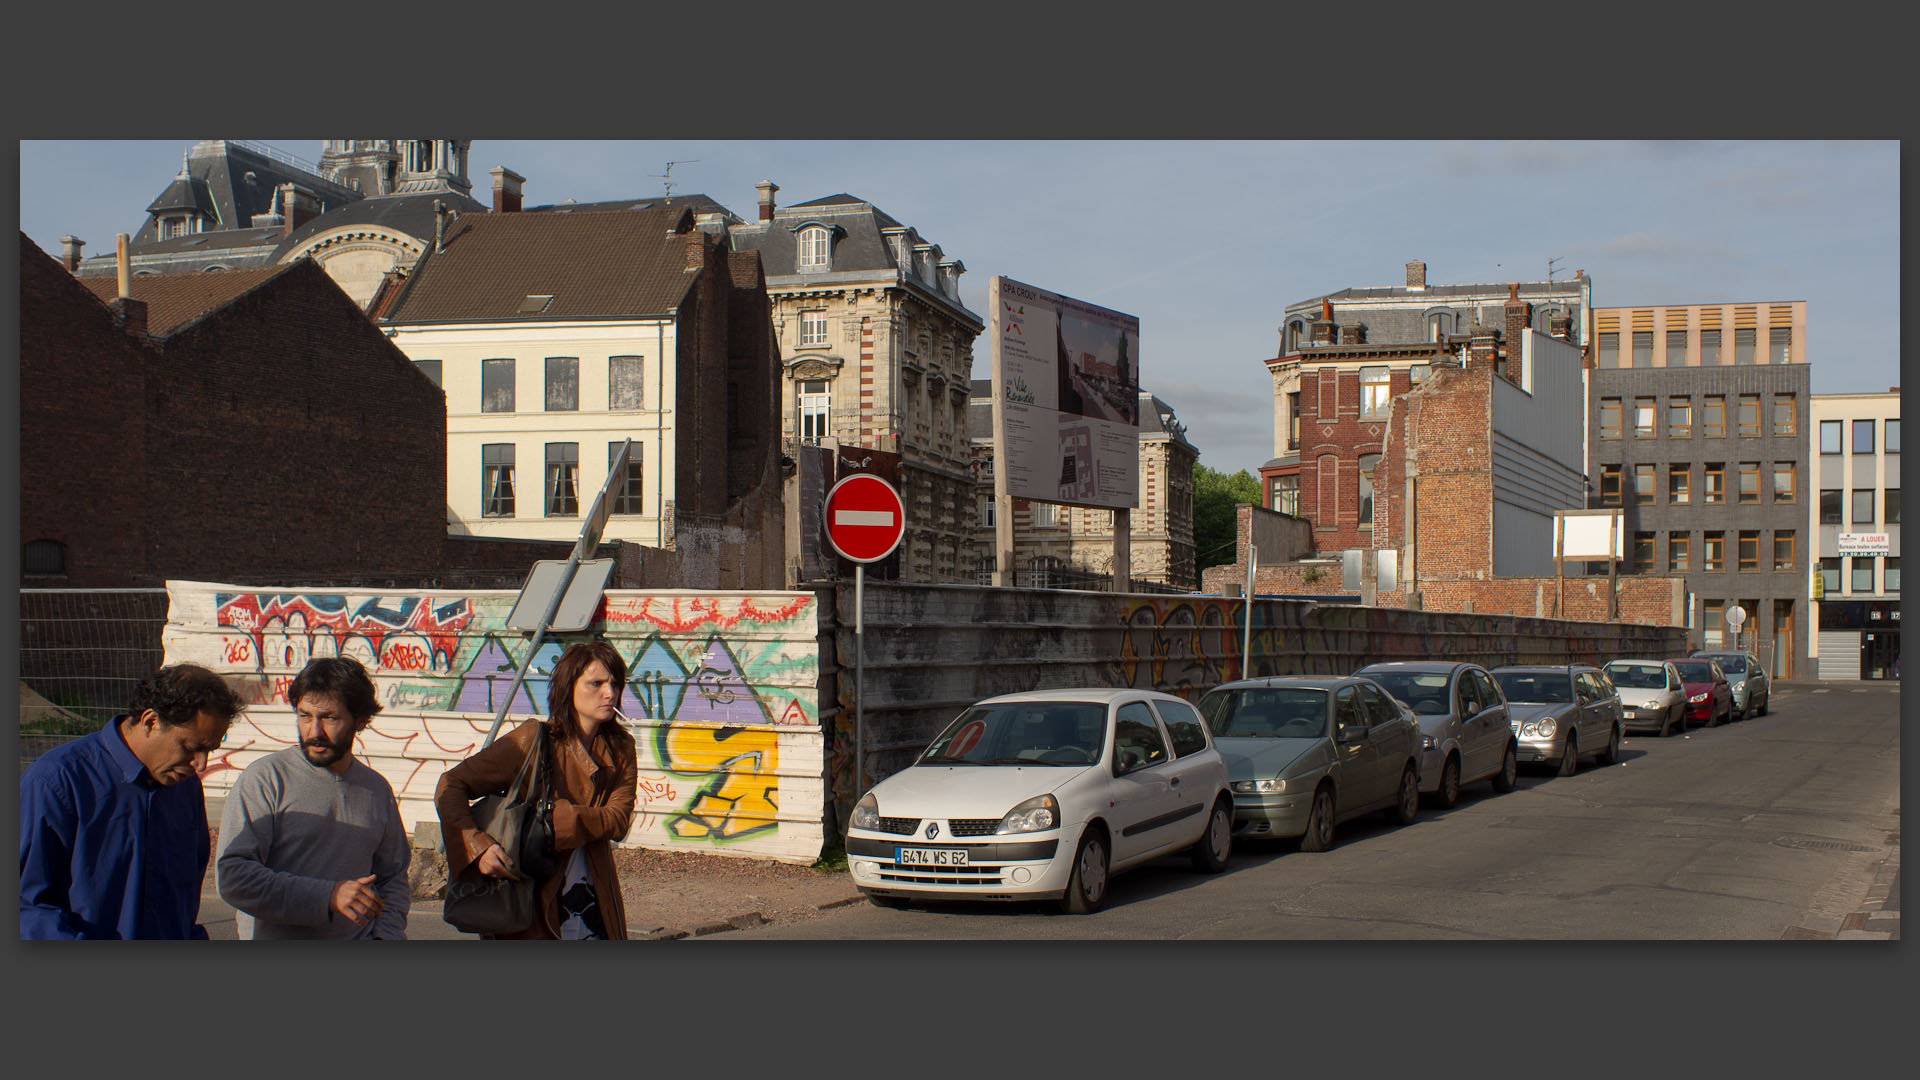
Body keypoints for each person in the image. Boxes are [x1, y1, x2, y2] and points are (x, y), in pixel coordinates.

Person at [20, 663, 243, 939]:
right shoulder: (57, 783)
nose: (200, 764)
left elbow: (184, 899)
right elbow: (26, 907)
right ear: (150, 721)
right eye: (190, 747)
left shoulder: (185, 790)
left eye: (209, 750)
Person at [435, 641, 639, 939]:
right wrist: (478, 848)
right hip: (531, 898)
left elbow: (619, 819)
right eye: (596, 683)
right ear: (569, 686)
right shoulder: (532, 740)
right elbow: (451, 785)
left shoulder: (621, 748)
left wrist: (555, 823)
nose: (610, 693)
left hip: (596, 896)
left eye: (615, 683)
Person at [216, 656, 411, 940]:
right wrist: (327, 896)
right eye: (305, 715)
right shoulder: (265, 780)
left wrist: (386, 937)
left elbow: (393, 878)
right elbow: (235, 878)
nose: (314, 732)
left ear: (361, 721)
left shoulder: (377, 790)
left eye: (330, 718)